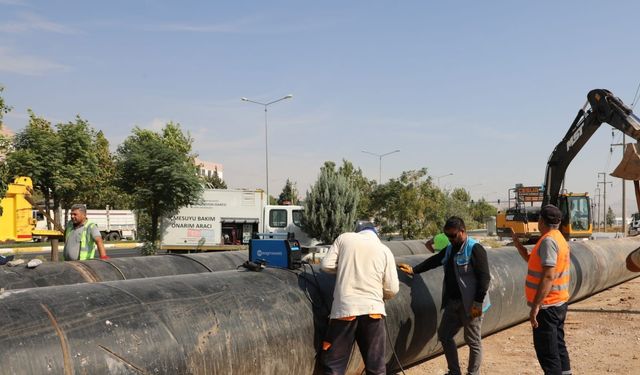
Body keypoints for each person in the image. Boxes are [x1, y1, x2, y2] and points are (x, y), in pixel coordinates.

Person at [398, 216, 491, 375]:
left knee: (473, 340)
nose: (450, 239)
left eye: (453, 236)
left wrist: (478, 303)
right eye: (447, 236)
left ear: (463, 231)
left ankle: (473, 373)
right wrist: (415, 270)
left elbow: (484, 278)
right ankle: (454, 371)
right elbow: (435, 260)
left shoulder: (474, 249)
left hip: (473, 305)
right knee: (445, 335)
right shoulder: (450, 248)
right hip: (453, 303)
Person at [320, 220, 399, 375]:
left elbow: (326, 265)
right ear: (375, 234)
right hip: (373, 312)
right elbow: (392, 288)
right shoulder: (384, 250)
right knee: (376, 367)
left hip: (345, 311)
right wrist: (380, 295)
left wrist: (345, 268)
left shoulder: (344, 238)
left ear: (357, 231)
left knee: (335, 365)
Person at [511, 204, 571, 375]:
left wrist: (536, 306)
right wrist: (518, 245)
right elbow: (532, 261)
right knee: (558, 347)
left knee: (548, 354)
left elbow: (548, 276)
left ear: (542, 221)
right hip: (558, 303)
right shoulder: (558, 238)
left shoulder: (548, 241)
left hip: (547, 306)